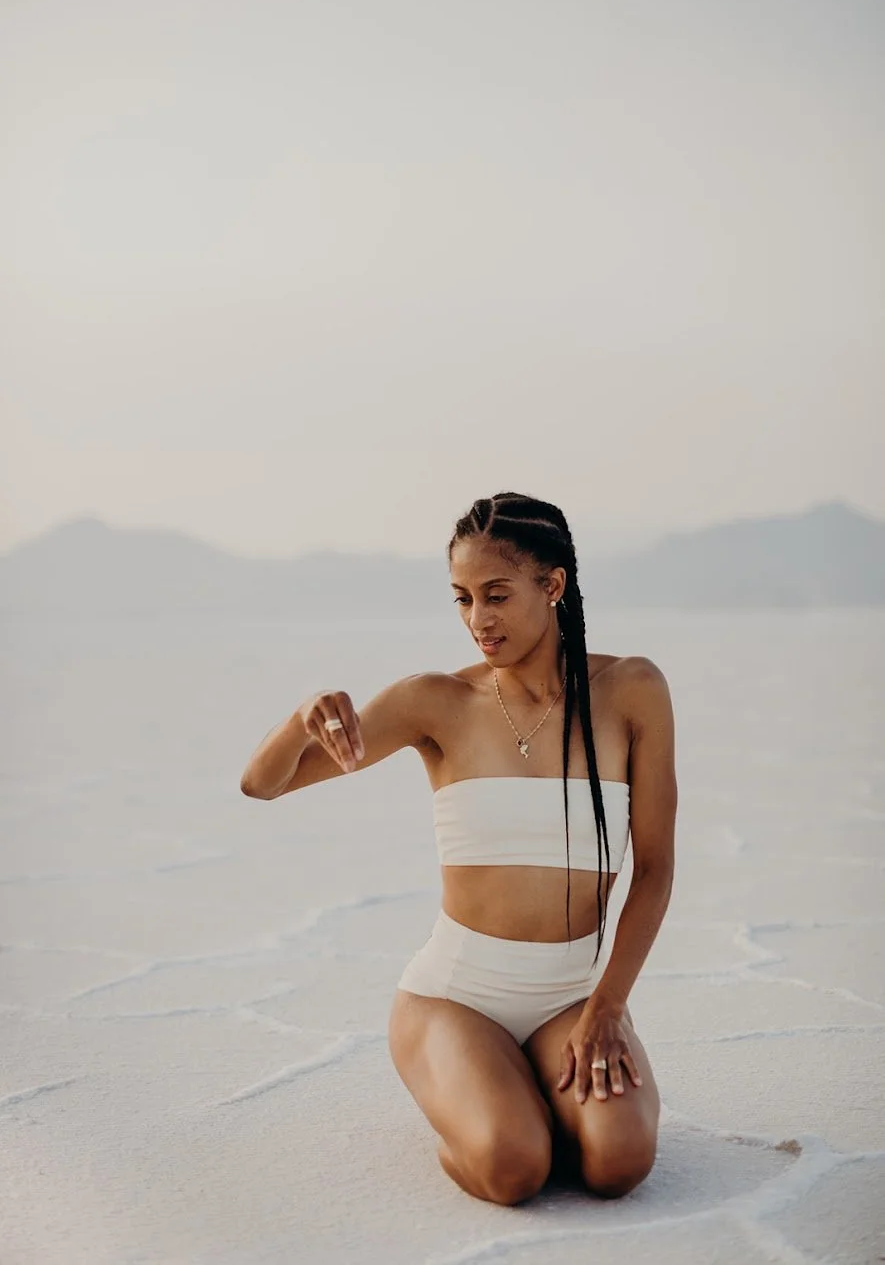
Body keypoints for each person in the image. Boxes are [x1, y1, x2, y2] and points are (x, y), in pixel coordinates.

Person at [240, 491, 677, 1206]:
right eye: (462, 599)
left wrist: (607, 1008)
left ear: (553, 585)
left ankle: (530, 1093)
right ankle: (491, 1106)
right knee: (514, 1170)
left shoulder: (630, 690)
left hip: (574, 996)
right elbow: (261, 784)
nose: (478, 619)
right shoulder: (434, 702)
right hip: (456, 998)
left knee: (617, 1164)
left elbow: (654, 869)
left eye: (496, 595)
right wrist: (300, 720)